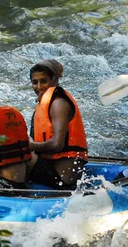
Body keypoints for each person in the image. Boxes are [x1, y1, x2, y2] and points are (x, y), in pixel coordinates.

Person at [28, 59, 88, 189]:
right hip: (51, 166)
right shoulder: (46, 102)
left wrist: (31, 145)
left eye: (44, 81)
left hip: (63, 178)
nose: (39, 87)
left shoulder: (58, 103)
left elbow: (56, 144)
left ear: (54, 80)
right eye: (34, 82)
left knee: (17, 155)